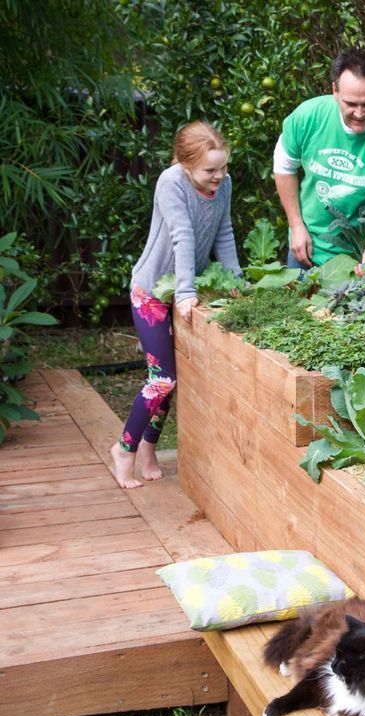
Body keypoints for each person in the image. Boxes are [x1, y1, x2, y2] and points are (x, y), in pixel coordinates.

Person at [110, 121, 242, 489]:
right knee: (162, 379)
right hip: (153, 292)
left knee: (174, 379)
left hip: (182, 292)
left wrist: (236, 282)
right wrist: (184, 293)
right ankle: (124, 449)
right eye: (210, 170)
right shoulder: (171, 183)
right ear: (186, 165)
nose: (219, 176)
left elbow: (225, 231)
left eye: (223, 167)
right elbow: (183, 235)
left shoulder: (223, 184)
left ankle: (150, 447)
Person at [273, 48, 365, 275]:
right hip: (306, 247)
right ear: (335, 91)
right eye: (351, 103)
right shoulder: (307, 116)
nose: (359, 113)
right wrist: (295, 224)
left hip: (360, 255)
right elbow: (283, 166)